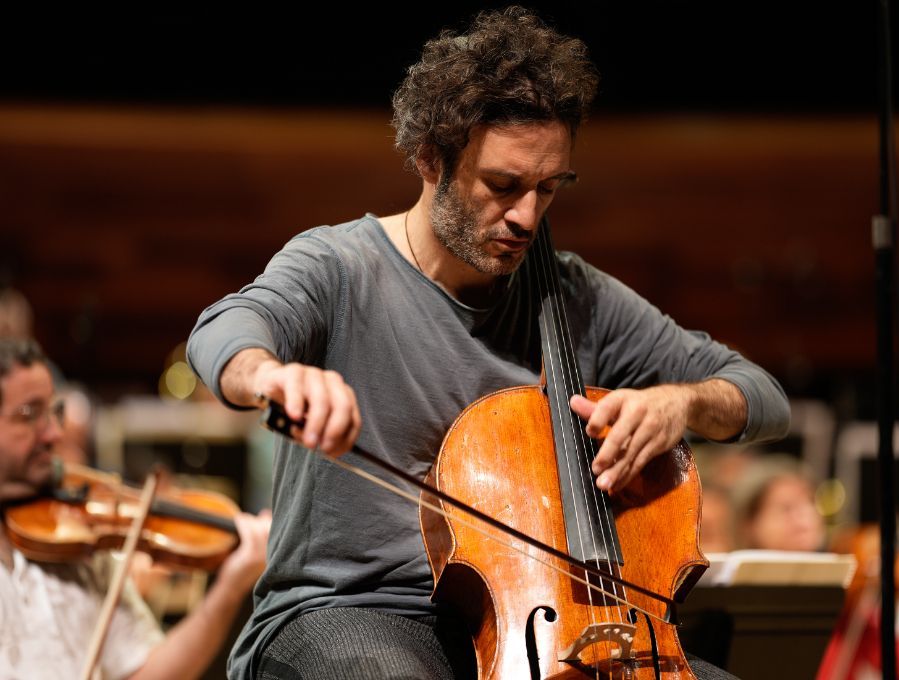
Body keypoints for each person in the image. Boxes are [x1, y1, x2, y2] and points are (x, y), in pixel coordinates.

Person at [187, 7, 790, 679]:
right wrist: (270, 378)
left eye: (548, 189)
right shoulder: (339, 267)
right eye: (503, 186)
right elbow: (225, 330)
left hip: (539, 624)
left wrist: (682, 404)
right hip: (349, 613)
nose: (527, 217)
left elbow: (762, 396)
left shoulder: (573, 295)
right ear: (428, 159)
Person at [0, 337, 271, 679]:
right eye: (29, 415)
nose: (54, 433)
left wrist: (229, 588)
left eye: (54, 412)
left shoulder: (79, 541)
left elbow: (145, 673)